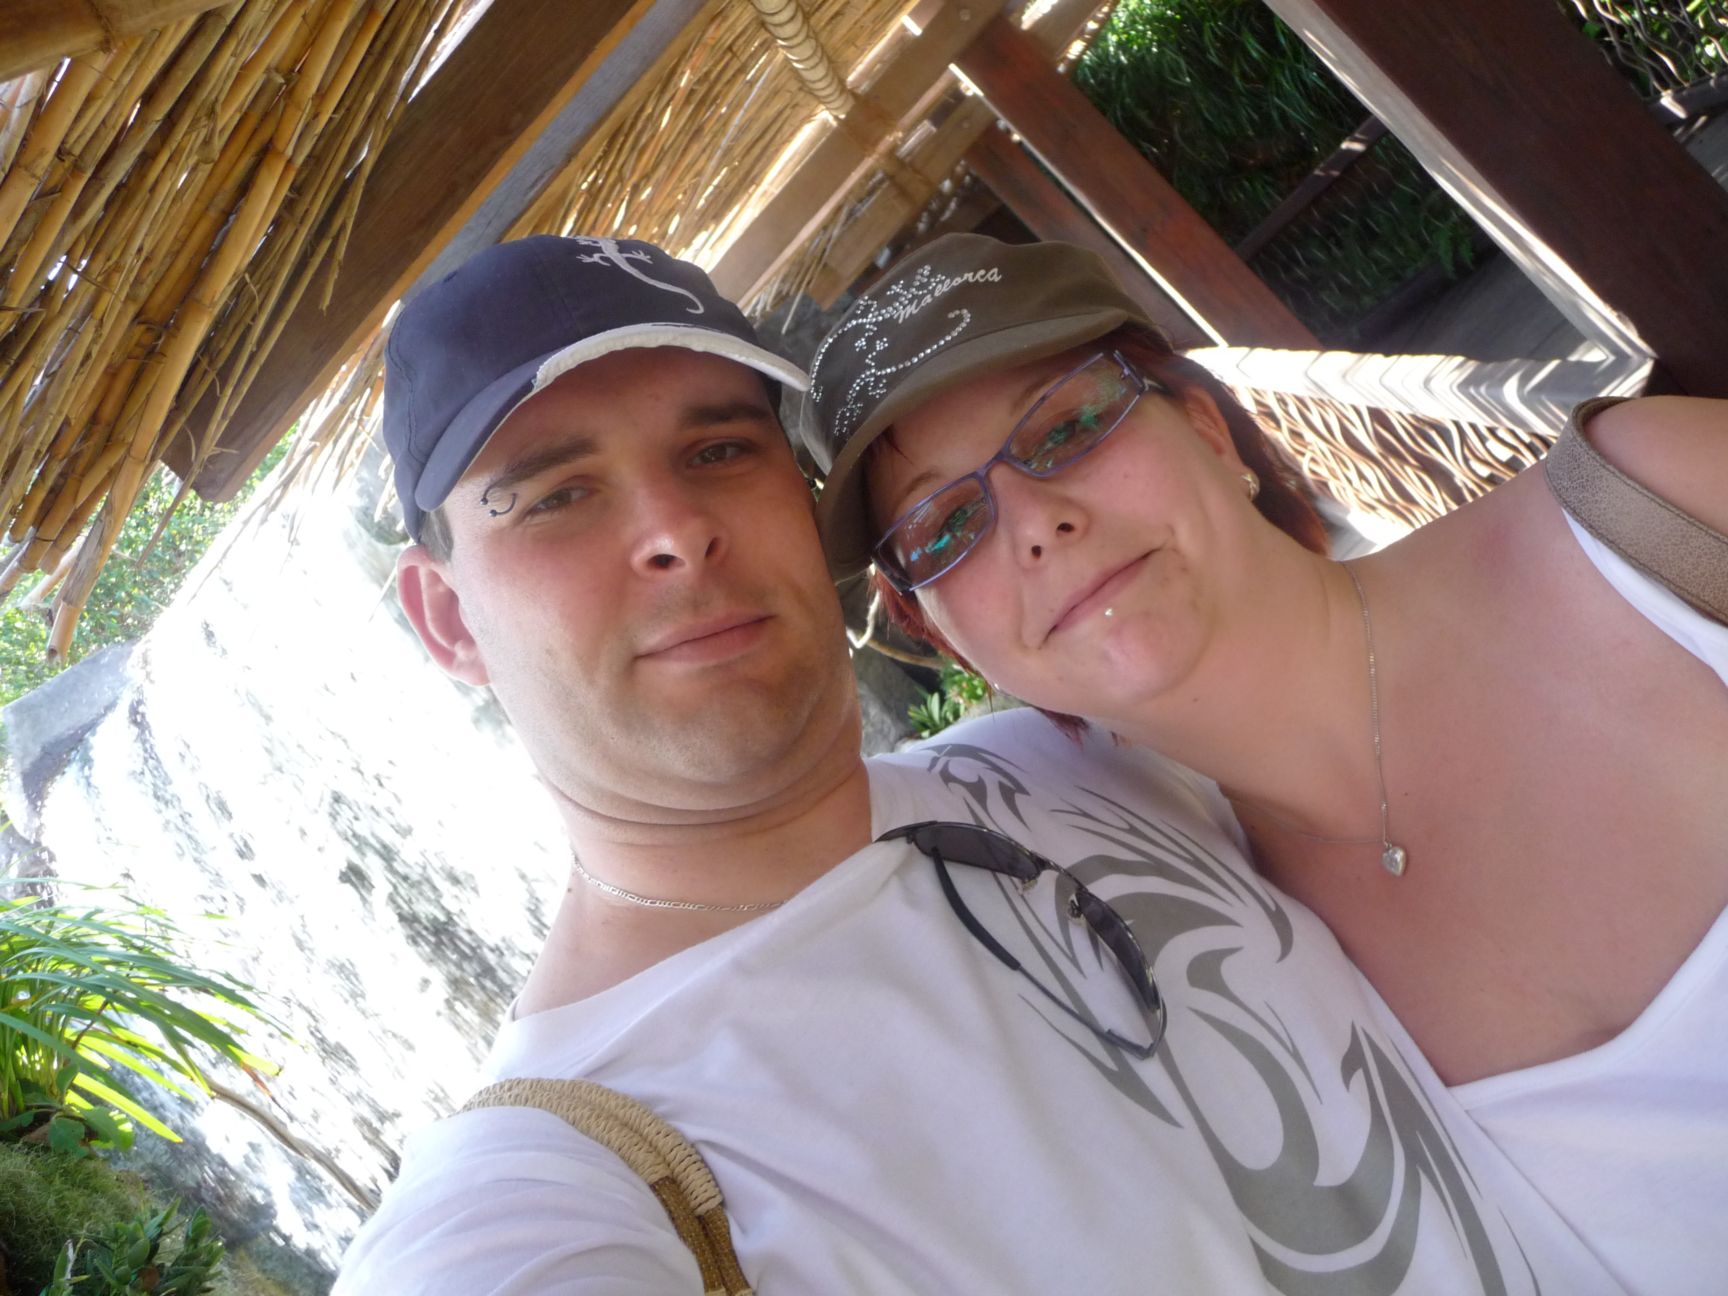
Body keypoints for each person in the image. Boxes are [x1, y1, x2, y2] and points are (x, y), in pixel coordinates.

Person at [334, 235, 1622, 1294]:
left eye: (720, 449)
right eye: (555, 495)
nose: (676, 530)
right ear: (449, 620)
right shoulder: (571, 1179)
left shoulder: (1077, 761)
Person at [806, 232, 1728, 1296]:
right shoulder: (1228, 990)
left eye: (1068, 426)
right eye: (947, 525)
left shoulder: (1652, 519)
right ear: (944, 637)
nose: (1036, 524)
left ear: (1206, 426)